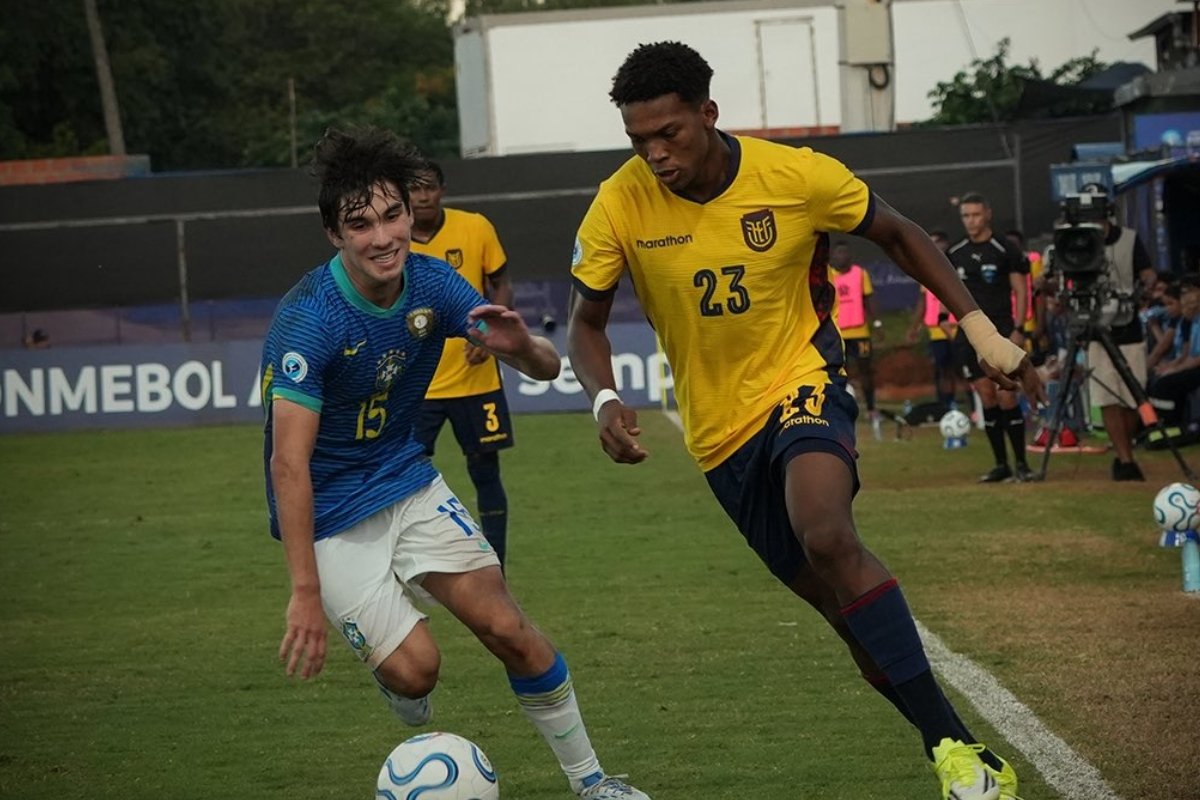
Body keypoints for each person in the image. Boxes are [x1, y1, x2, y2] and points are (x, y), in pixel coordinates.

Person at [566, 41, 1041, 800]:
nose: (654, 155)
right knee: (842, 612)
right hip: (718, 435)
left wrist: (981, 330)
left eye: (668, 134)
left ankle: (952, 746)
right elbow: (585, 322)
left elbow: (900, 233)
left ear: (708, 114)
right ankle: (954, 744)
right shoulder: (619, 202)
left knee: (824, 531)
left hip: (803, 379)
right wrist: (603, 398)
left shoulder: (795, 175)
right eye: (638, 140)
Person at [262, 126, 650, 800]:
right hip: (330, 514)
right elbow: (288, 465)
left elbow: (546, 367)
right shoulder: (308, 321)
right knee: (418, 671)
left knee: (509, 628)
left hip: (406, 479)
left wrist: (521, 347)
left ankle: (594, 784)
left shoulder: (434, 284)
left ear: (410, 213)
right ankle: (397, 679)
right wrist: (303, 592)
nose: (383, 237)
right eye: (361, 225)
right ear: (334, 235)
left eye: (392, 216)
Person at [409, 161, 516, 568]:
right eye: (415, 188)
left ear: (442, 189)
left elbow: (501, 283)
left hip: (475, 380)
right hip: (417, 385)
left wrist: (490, 337)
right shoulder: (394, 241)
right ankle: (414, 563)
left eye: (429, 187)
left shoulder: (475, 227)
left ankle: (497, 566)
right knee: (402, 475)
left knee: (485, 471)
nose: (423, 196)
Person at [1067, 184, 1152, 481]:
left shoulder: (1129, 239)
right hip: (1095, 328)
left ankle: (1126, 449)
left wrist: (1142, 290)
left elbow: (1147, 273)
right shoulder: (1073, 240)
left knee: (1133, 394)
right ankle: (1124, 458)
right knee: (1106, 397)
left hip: (1127, 326)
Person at [947, 193, 1033, 483]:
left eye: (975, 215)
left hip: (1000, 331)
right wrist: (949, 323)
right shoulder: (955, 252)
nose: (971, 221)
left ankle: (1022, 464)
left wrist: (1019, 328)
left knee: (1007, 395)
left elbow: (1021, 290)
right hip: (969, 336)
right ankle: (1001, 465)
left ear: (987, 214)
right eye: (966, 216)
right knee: (986, 396)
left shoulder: (1005, 248)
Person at [830, 240, 882, 438]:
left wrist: (877, 323)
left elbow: (869, 299)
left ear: (850, 256)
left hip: (860, 332)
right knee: (839, 372)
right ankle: (838, 410)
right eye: (838, 254)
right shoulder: (827, 274)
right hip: (837, 333)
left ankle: (871, 408)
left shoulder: (860, 274)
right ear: (832, 256)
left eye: (844, 253)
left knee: (865, 371)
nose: (841, 257)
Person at [907, 230, 964, 410]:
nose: (932, 246)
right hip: (936, 328)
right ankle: (945, 404)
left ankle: (973, 406)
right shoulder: (925, 269)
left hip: (957, 325)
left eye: (937, 242)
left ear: (945, 244)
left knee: (963, 367)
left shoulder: (958, 267)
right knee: (942, 368)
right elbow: (923, 302)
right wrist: (914, 327)